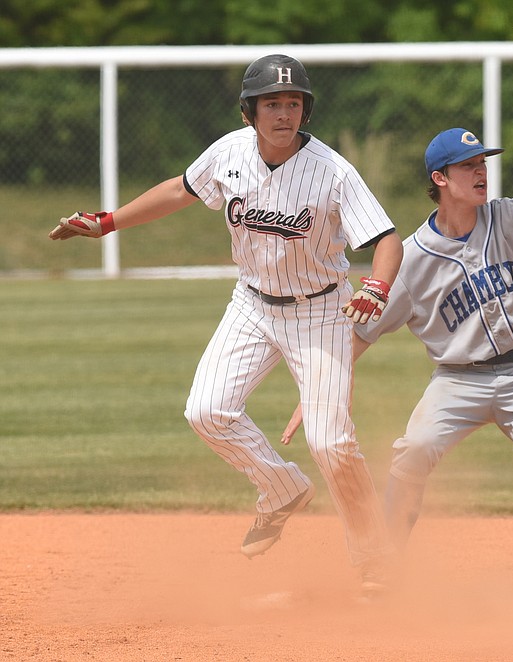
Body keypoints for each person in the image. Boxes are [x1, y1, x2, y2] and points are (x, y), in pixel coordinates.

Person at [49, 54, 402, 596]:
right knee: (207, 410)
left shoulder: (332, 169)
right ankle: (282, 488)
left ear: (305, 110)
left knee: (331, 442)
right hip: (252, 304)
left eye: (293, 103)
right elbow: (178, 190)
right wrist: (108, 221)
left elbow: (385, 238)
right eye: (272, 104)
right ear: (249, 112)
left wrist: (376, 287)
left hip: (321, 311)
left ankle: (374, 559)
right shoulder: (229, 153)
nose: (284, 113)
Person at [284, 127, 513, 602]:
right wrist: (320, 388)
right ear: (440, 178)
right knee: (412, 452)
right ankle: (385, 565)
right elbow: (361, 331)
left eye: (482, 163)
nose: (481, 172)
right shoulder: (408, 260)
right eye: (469, 165)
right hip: (457, 382)